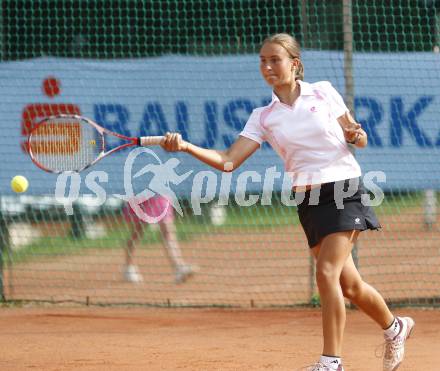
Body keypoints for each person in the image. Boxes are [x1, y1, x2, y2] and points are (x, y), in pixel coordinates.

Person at [159, 33, 414, 370]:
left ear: (294, 64)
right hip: (307, 200)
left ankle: (331, 363)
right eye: (262, 61)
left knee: (325, 273)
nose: (267, 67)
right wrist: (186, 147)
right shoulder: (263, 116)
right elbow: (227, 161)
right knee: (349, 285)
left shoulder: (323, 91)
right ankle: (396, 328)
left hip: (343, 189)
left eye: (274, 60)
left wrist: (356, 135)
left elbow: (358, 135)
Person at [122, 194, 196, 284]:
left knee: (167, 229)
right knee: (138, 231)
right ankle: (129, 267)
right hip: (141, 194)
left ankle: (178, 266)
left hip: (159, 193)